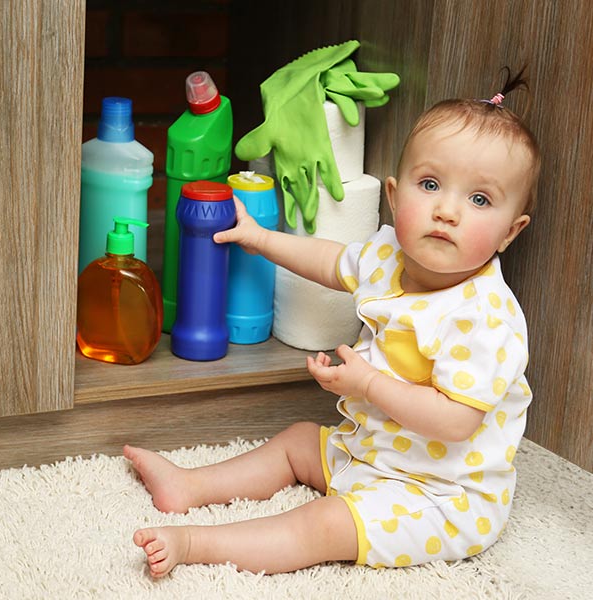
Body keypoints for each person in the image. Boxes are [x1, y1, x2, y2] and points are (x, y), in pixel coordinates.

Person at [124, 67, 541, 578]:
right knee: (301, 440)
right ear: (392, 194)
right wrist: (261, 238)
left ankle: (194, 544)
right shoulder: (389, 255)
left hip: (444, 496)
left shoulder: (486, 316)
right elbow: (330, 261)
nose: (447, 211)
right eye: (430, 184)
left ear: (510, 232)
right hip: (374, 451)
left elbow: (455, 420)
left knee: (324, 524)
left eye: (479, 200)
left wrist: (367, 382)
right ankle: (190, 485)